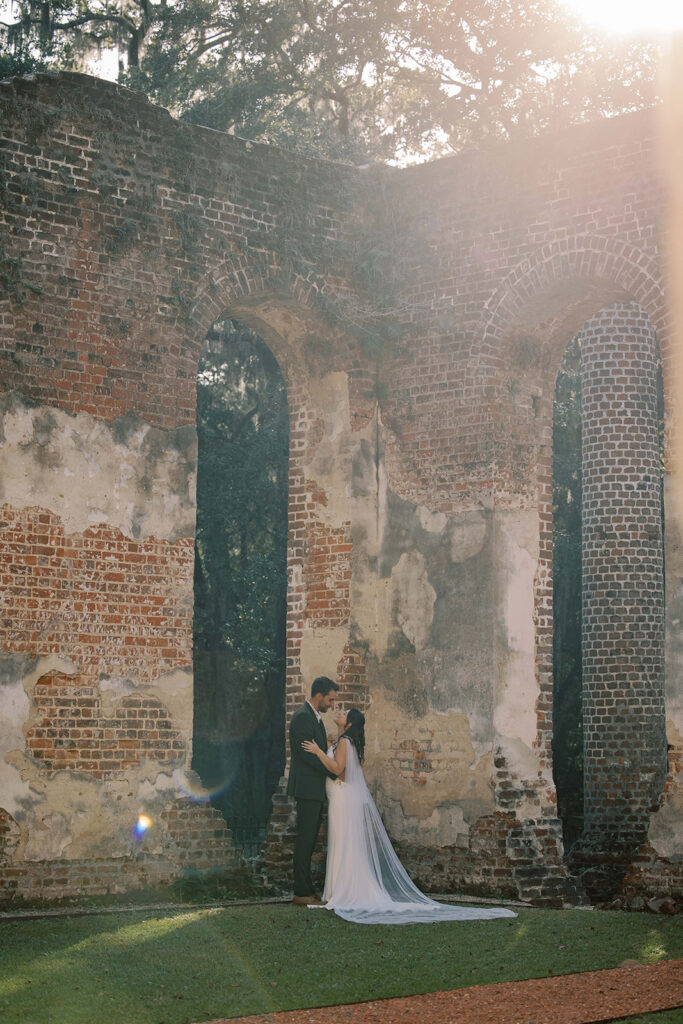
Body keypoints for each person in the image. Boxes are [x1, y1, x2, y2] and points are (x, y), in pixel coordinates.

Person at [302, 707, 518, 925]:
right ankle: (339, 891)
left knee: (344, 843)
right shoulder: (345, 741)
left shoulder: (345, 742)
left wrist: (318, 752)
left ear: (349, 723)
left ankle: (344, 892)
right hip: (340, 798)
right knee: (344, 844)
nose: (340, 712)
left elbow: (339, 769)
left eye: (344, 713)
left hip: (342, 800)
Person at [287, 676, 339, 905]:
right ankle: (301, 892)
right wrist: (334, 771)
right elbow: (308, 755)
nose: (332, 704)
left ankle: (307, 888)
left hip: (314, 790)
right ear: (319, 696)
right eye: (330, 699)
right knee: (305, 840)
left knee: (309, 840)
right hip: (307, 789)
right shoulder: (302, 718)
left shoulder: (314, 717)